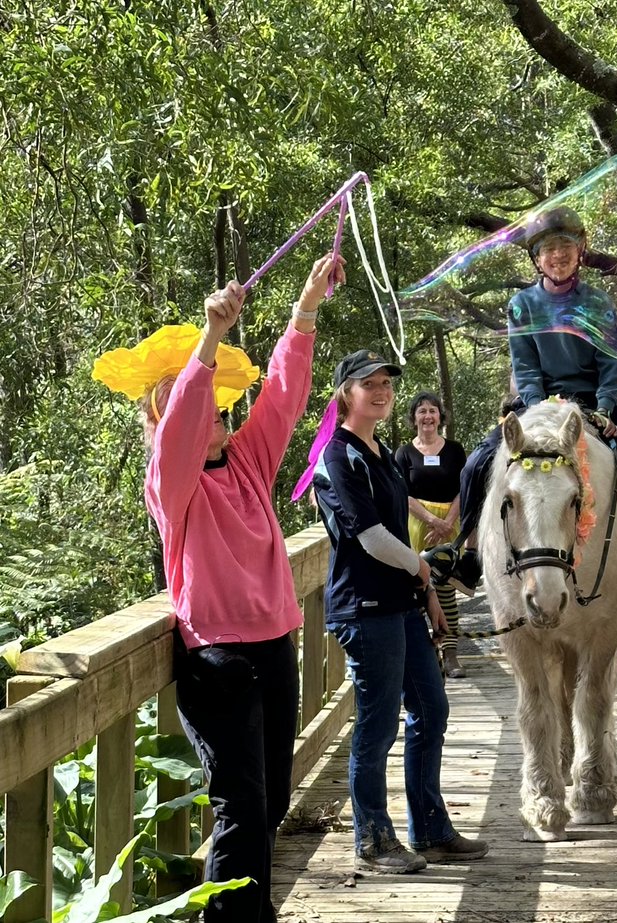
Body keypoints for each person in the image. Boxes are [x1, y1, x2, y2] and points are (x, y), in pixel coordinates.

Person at [92, 253, 345, 923]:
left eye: (218, 398)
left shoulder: (249, 463)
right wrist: (207, 340)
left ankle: (251, 912)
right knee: (239, 804)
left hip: (273, 646)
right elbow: (178, 429)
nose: (218, 408)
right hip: (216, 659)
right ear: (163, 412)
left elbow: (286, 392)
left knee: (270, 801)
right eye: (196, 397)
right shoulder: (173, 486)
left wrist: (307, 305)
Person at [426, 206, 617, 592]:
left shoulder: (598, 302)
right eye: (548, 248)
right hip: (539, 401)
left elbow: (611, 363)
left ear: (580, 251)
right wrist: (539, 408)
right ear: (537, 259)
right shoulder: (522, 305)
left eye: (566, 246)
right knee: (475, 463)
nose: (558, 255)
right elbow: (525, 367)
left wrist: (605, 408)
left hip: (594, 399)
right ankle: (469, 553)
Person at [312, 351, 488, 873]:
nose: (382, 390)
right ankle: (373, 839)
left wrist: (426, 591)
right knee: (377, 724)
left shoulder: (381, 451)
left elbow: (394, 531)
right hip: (364, 610)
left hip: (402, 603)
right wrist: (424, 568)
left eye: (387, 382)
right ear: (346, 392)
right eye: (370, 383)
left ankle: (431, 830)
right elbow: (368, 537)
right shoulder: (338, 456)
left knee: (432, 710)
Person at [395, 391, 469, 678]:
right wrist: (431, 521)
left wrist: (448, 522)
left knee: (447, 586)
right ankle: (426, 654)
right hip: (417, 524)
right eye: (422, 411)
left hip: (451, 523)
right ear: (414, 417)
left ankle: (451, 653)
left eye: (433, 411)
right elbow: (402, 493)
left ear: (441, 416)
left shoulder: (454, 450)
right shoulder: (403, 453)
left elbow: (463, 487)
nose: (428, 416)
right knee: (421, 585)